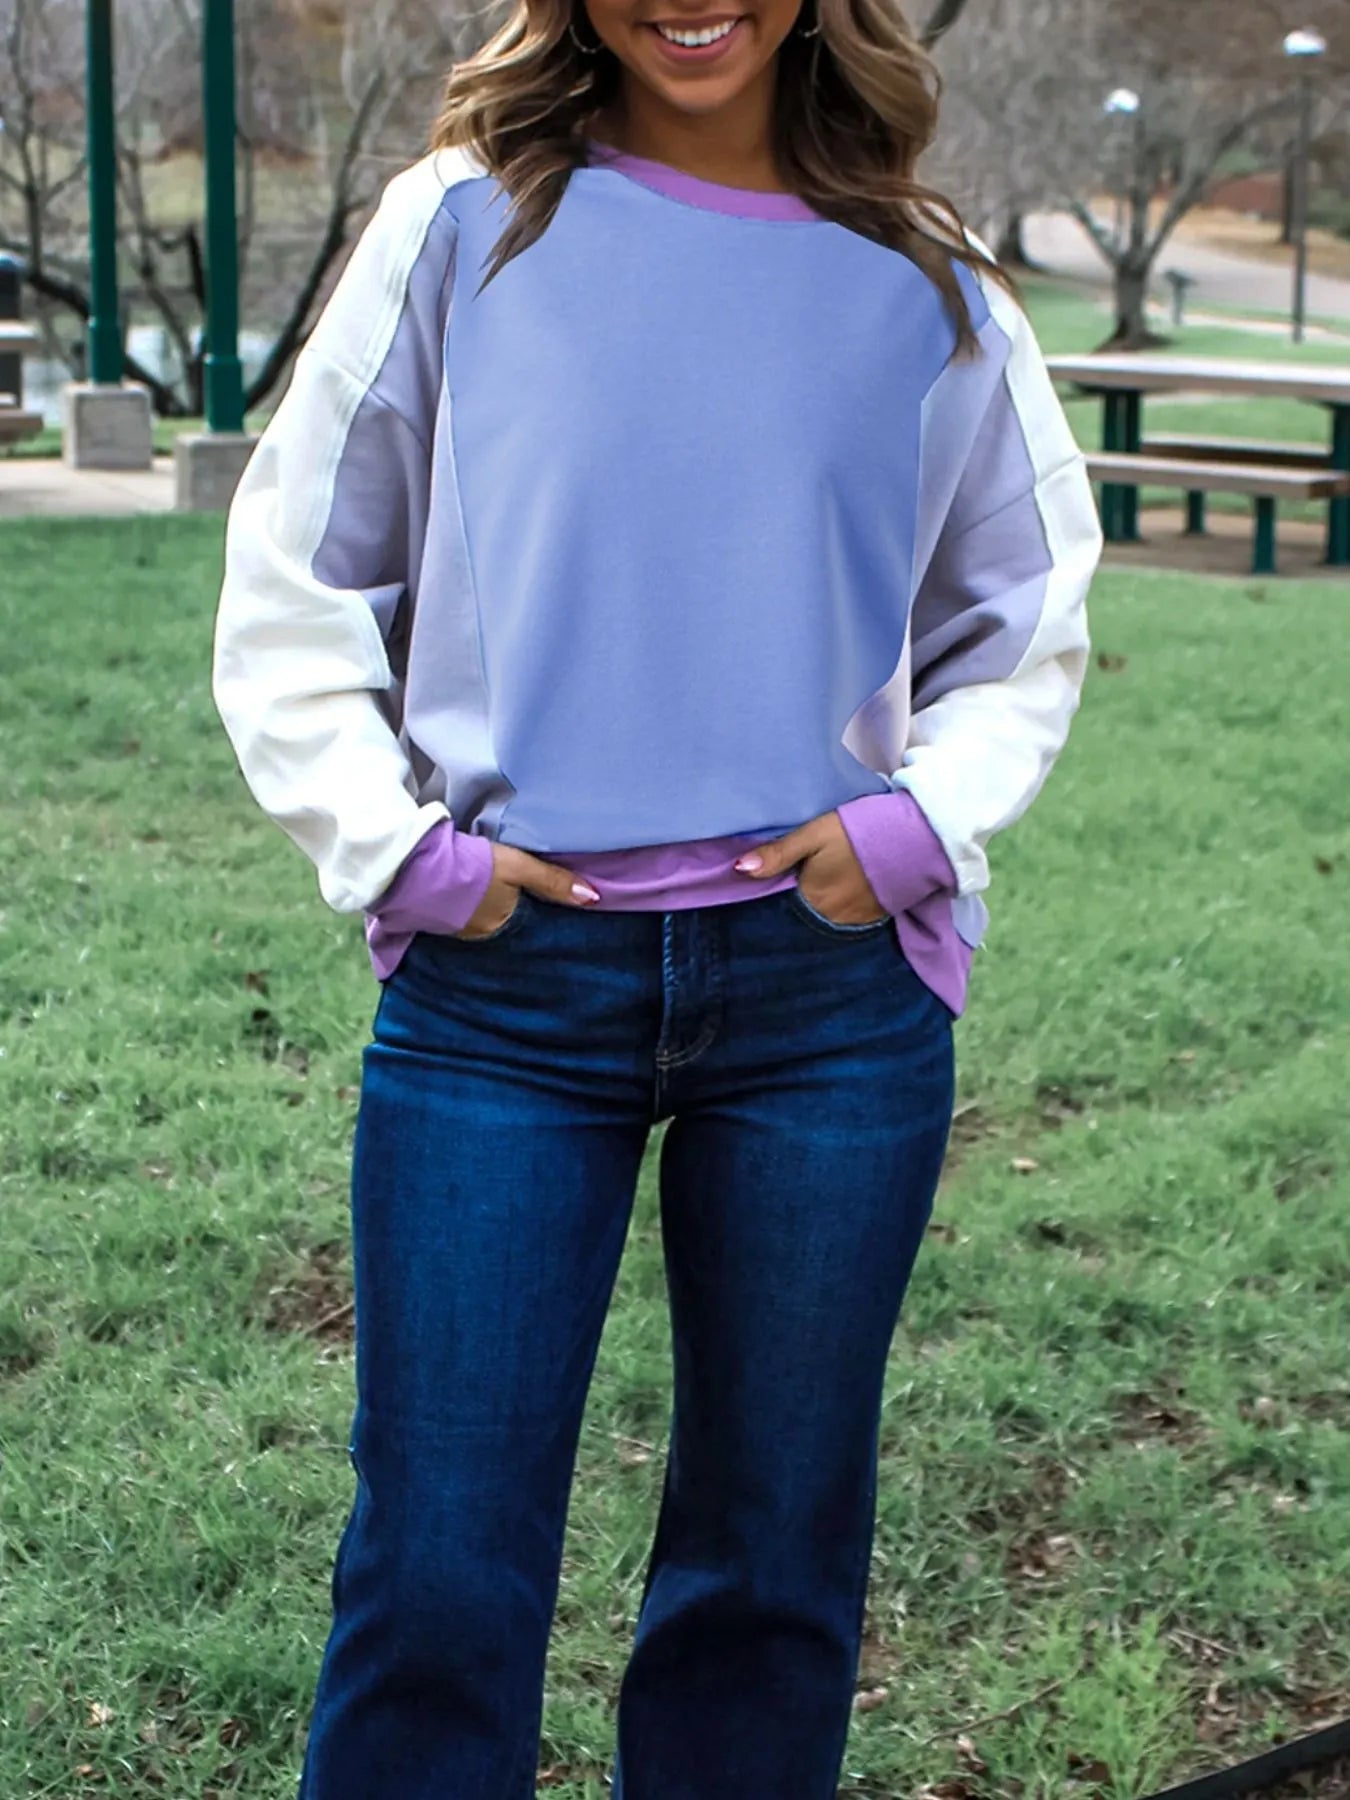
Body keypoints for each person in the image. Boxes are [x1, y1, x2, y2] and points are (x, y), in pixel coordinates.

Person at [210, 0, 1102, 1787]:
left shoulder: (927, 278)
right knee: (436, 1564)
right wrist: (402, 854)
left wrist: (917, 828)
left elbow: (1025, 608)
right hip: (504, 998)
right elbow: (298, 575)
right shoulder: (461, 225)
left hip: (824, 1009)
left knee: (771, 1558)